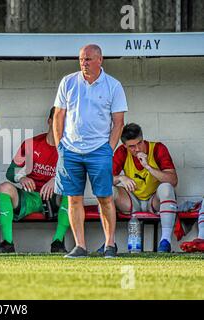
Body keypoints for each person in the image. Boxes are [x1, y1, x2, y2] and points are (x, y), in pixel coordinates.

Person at [53, 44, 127, 258]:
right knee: (73, 199)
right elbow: (59, 115)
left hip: (99, 150)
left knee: (104, 198)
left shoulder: (113, 85)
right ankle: (80, 246)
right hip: (70, 150)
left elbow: (118, 123)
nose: (83, 63)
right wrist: (61, 147)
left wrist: (109, 150)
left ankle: (110, 245)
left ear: (100, 60)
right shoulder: (68, 82)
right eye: (81, 59)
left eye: (88, 59)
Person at [0, 107, 70, 254]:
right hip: (30, 196)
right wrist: (22, 177)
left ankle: (57, 242)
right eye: (57, 120)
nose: (61, 125)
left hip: (54, 198)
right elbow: (10, 172)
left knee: (73, 193)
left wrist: (56, 180)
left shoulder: (70, 147)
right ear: (49, 121)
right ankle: (8, 243)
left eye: (64, 121)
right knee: (4, 188)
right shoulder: (32, 144)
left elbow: (75, 176)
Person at [112, 123, 178, 252]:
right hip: (132, 200)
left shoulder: (157, 148)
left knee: (166, 188)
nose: (137, 149)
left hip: (154, 201)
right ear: (125, 146)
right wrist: (120, 178)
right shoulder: (122, 152)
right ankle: (110, 243)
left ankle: (165, 242)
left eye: (140, 143)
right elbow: (103, 180)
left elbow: (173, 180)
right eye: (132, 146)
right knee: (107, 190)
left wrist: (148, 167)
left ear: (143, 138)